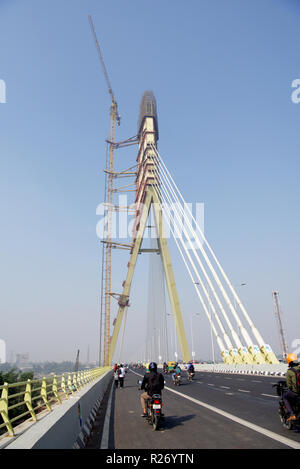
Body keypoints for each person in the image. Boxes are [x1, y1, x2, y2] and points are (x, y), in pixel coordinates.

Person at [283, 353, 300, 421]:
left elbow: (289, 385)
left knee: (285, 397)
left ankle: (292, 415)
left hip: (296, 392)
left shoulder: (290, 371)